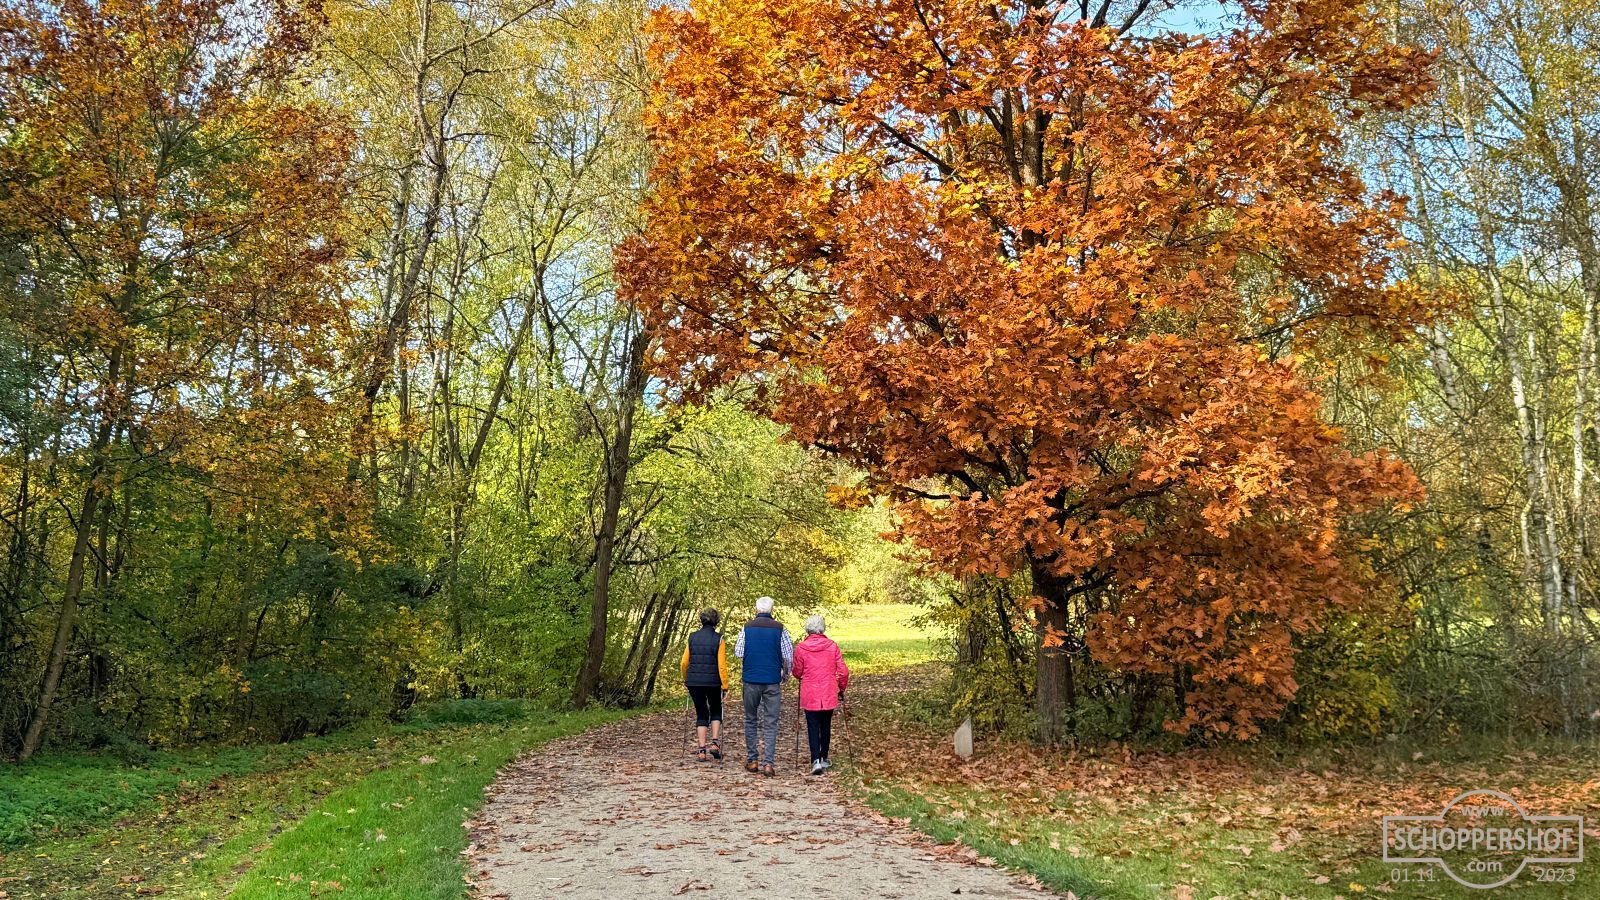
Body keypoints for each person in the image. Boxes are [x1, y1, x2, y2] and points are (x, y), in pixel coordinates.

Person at [734, 596, 792, 777]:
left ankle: (752, 760)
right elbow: (788, 656)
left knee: (751, 719)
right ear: (772, 610)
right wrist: (785, 675)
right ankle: (768, 764)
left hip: (751, 679)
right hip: (772, 680)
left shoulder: (747, 627)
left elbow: (738, 652)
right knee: (771, 722)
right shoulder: (780, 628)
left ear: (756, 609)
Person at [791, 614, 849, 776]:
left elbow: (797, 671)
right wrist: (841, 688)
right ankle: (823, 757)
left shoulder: (802, 648)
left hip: (810, 692)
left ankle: (815, 760)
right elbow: (843, 672)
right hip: (828, 691)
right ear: (822, 628)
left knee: (813, 725)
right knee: (825, 725)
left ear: (807, 629)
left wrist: (801, 675)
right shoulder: (832, 646)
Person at [681, 608, 729, 762]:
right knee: (716, 709)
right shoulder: (719, 639)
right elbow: (721, 665)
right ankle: (715, 743)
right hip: (713, 681)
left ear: (701, 620)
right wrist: (725, 685)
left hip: (694, 681)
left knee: (701, 713)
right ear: (716, 621)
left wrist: (686, 678)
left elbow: (684, 662)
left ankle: (701, 750)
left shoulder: (692, 637)